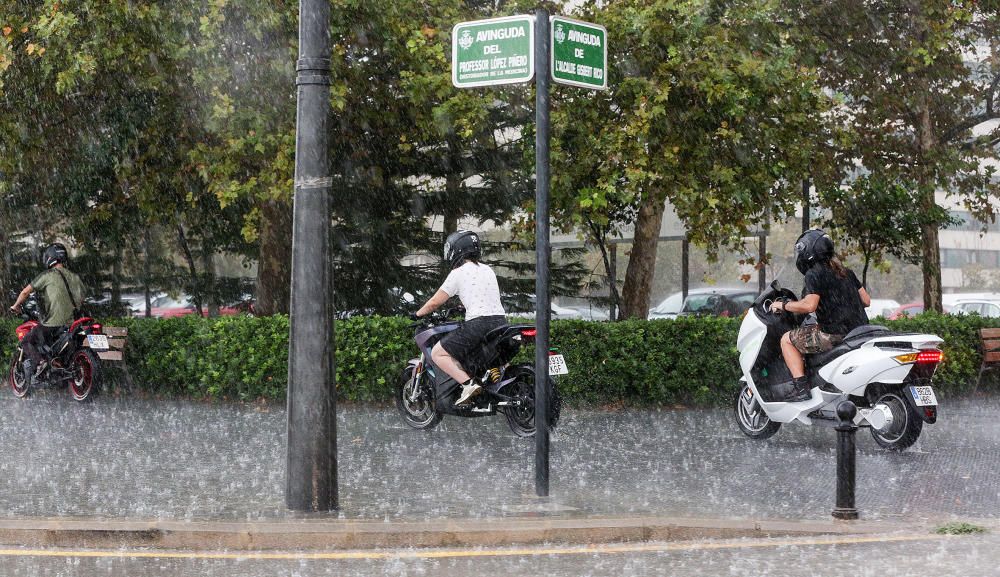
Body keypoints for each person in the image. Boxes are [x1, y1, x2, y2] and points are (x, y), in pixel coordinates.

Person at [769, 229, 871, 402]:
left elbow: (809, 306)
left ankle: (800, 388)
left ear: (806, 251)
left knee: (787, 339)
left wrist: (783, 305)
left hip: (834, 334)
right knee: (812, 329)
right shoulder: (846, 272)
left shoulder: (814, 274)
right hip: (859, 331)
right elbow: (867, 301)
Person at [414, 230, 507, 406]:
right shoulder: (487, 270)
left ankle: (468, 385)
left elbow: (435, 302)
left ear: (456, 250)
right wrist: (462, 307)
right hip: (500, 322)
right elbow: (482, 295)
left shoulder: (458, 273)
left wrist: (417, 313)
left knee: (437, 353)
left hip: (479, 325)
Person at [9, 243, 87, 384]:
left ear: (50, 258)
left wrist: (15, 306)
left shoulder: (47, 275)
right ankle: (54, 365)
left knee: (26, 341)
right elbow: (82, 299)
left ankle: (40, 362)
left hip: (53, 323)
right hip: (72, 324)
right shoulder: (75, 277)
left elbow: (25, 292)